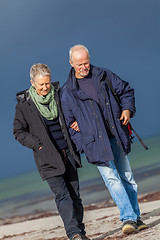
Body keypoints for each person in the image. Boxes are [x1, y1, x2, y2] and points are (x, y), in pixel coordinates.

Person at [61, 45, 148, 235]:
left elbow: (126, 90)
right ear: (71, 63)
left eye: (86, 62)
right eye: (79, 64)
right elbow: (69, 125)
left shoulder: (104, 75)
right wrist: (83, 144)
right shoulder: (67, 92)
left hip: (116, 134)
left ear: (89, 59)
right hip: (95, 144)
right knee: (112, 180)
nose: (84, 67)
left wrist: (127, 110)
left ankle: (136, 217)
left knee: (127, 178)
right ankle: (128, 218)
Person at [13, 63, 89, 240]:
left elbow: (74, 112)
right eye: (41, 84)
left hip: (68, 152)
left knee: (75, 196)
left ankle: (81, 233)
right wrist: (38, 145)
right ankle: (74, 234)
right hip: (47, 157)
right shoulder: (24, 105)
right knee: (62, 196)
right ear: (32, 83)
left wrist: (77, 121)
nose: (45, 87)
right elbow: (18, 131)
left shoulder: (60, 95)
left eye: (47, 83)